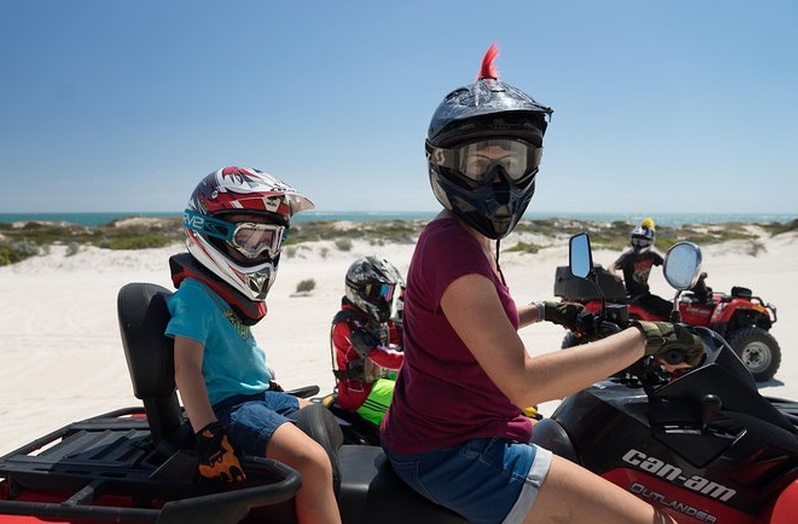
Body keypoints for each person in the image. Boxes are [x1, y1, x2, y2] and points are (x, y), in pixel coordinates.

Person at [380, 44, 705, 524]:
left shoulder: (465, 236)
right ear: (444, 164)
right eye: (478, 163)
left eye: (509, 162)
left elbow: (474, 327)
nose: (496, 179)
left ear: (531, 163)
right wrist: (645, 339)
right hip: (455, 452)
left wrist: (548, 311)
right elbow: (522, 381)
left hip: (447, 433)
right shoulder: (452, 246)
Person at [165, 166, 341, 524]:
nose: (262, 251)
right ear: (211, 233)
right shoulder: (196, 296)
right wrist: (209, 435)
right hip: (231, 407)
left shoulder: (221, 294)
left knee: (325, 413)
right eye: (249, 239)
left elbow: (235, 353)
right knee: (313, 461)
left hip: (256, 395)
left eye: (270, 240)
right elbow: (186, 368)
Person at [330, 255, 404, 426]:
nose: (384, 298)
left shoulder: (368, 318)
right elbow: (379, 355)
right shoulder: (348, 323)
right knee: (419, 398)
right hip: (359, 395)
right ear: (358, 290)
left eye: (387, 292)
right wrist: (417, 359)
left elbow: (396, 336)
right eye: (377, 291)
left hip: (376, 382)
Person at [607, 217, 674, 318]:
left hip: (644, 294)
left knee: (671, 308)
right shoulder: (628, 256)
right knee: (670, 309)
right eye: (636, 240)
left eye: (642, 242)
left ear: (649, 242)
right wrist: (614, 274)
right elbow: (611, 267)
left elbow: (667, 265)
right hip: (632, 296)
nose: (638, 244)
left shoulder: (652, 255)